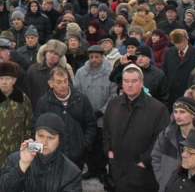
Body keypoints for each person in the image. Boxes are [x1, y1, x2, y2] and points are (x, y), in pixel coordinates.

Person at [103, 64, 170, 192]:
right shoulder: (114, 104)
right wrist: (108, 150)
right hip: (117, 168)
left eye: (134, 81)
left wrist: (144, 162)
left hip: (143, 173)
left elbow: (162, 140)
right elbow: (106, 130)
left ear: (141, 82)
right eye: (126, 81)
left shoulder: (158, 109)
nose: (129, 85)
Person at [0, 112, 82, 192]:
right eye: (40, 136)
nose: (44, 142)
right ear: (34, 135)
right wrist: (22, 166)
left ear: (60, 140)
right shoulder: (15, 159)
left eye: (50, 138)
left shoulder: (71, 173)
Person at [34, 66, 96, 168]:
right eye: (58, 82)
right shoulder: (44, 102)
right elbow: (36, 128)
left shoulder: (81, 99)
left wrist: (84, 145)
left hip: (77, 157)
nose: (63, 85)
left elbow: (91, 124)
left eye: (65, 81)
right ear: (51, 84)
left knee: (74, 182)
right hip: (52, 156)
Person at [151, 96, 195, 192]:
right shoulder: (166, 135)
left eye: (182, 112)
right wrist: (163, 180)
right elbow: (155, 156)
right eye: (176, 112)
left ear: (193, 114)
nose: (177, 116)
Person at [74, 45, 117, 180]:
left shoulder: (111, 72)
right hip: (85, 116)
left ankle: (101, 169)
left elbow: (114, 95)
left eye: (97, 57)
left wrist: (101, 111)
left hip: (103, 117)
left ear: (102, 57)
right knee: (88, 144)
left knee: (101, 145)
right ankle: (91, 169)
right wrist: (84, 111)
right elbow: (76, 92)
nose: (94, 59)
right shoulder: (81, 72)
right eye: (91, 57)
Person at [26, 39, 74, 110]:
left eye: (56, 54)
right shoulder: (33, 70)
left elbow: (69, 91)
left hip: (58, 111)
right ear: (45, 53)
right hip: (37, 110)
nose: (52, 56)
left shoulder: (64, 72)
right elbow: (27, 92)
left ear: (59, 58)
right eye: (50, 52)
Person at [0, 61, 32, 167]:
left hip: (17, 154)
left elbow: (28, 127)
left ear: (14, 80)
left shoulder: (23, 100)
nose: (4, 82)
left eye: (7, 79)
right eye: (1, 78)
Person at [163, 29, 195, 110]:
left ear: (186, 39)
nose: (178, 45)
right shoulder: (169, 52)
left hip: (188, 92)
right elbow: (165, 70)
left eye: (180, 42)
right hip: (172, 93)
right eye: (176, 42)